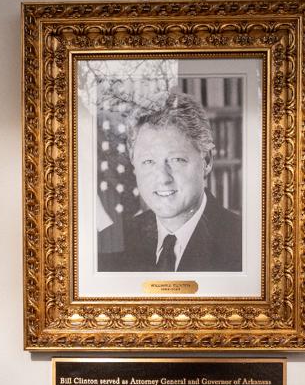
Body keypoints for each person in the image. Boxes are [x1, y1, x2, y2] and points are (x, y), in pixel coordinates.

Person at [98, 91, 241, 272]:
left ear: (206, 161)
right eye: (148, 161)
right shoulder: (114, 243)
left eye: (176, 160)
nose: (163, 179)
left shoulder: (245, 242)